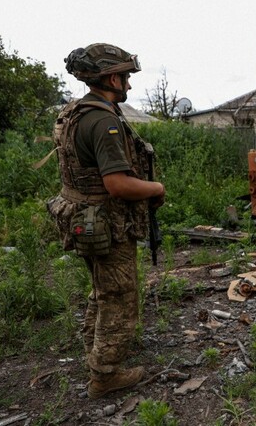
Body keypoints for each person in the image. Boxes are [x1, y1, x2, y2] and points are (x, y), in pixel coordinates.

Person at [47, 43, 165, 399]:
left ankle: (95, 353)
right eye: (125, 75)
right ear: (112, 77)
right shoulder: (103, 121)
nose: (128, 82)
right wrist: (155, 187)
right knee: (119, 296)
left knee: (102, 290)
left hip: (83, 218)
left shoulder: (75, 111)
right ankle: (106, 375)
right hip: (105, 224)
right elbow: (117, 184)